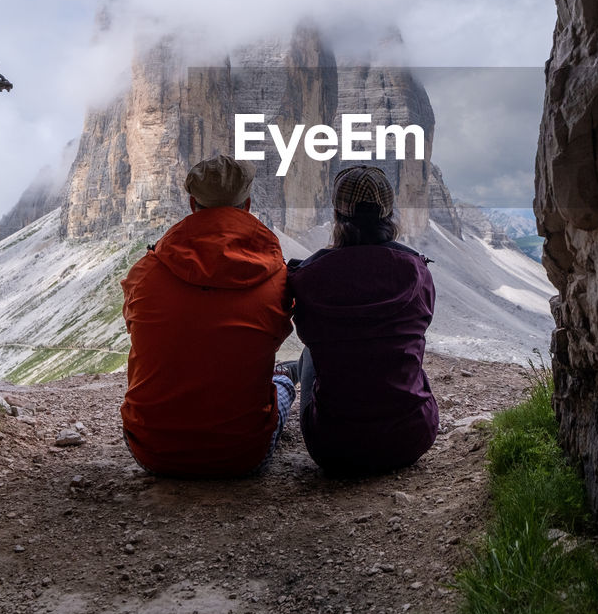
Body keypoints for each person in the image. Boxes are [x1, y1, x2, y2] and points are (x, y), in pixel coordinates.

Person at [120, 154, 295, 477]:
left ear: (191, 203)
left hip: (152, 449)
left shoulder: (145, 272)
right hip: (242, 453)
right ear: (247, 205)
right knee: (285, 381)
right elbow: (278, 329)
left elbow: (134, 324)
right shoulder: (278, 277)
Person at [283, 165, 439, 476]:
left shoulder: (308, 276)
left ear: (337, 215)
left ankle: (289, 374)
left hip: (333, 447)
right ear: (389, 213)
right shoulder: (416, 270)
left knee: (311, 351)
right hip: (411, 438)